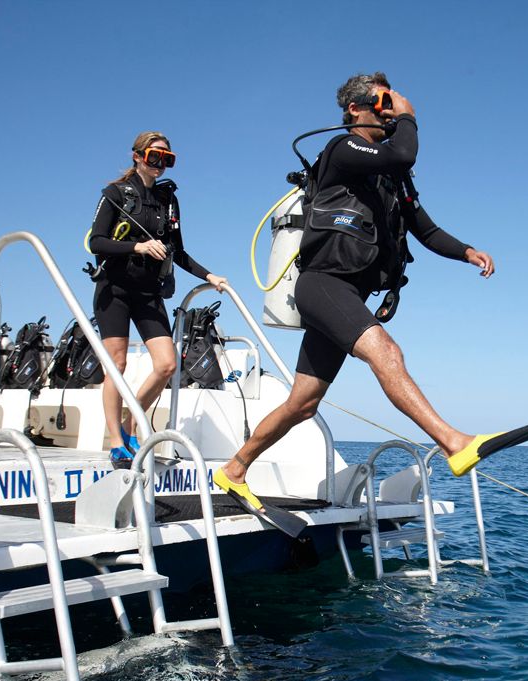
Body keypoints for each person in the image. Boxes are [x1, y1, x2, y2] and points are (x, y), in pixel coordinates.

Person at [213, 72, 503, 509]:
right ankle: (452, 442)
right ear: (354, 108)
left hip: (346, 293)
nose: (389, 109)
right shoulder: (343, 149)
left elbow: (424, 229)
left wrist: (467, 252)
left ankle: (233, 469)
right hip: (323, 285)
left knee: (303, 403)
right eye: (382, 100)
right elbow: (402, 154)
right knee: (386, 353)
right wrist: (409, 117)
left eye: (392, 102)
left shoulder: (389, 178)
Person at [89, 131, 227, 465]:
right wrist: (136, 246)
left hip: (149, 293)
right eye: (155, 156)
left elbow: (177, 251)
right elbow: (96, 242)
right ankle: (115, 442)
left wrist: (209, 276)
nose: (160, 164)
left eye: (167, 158)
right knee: (116, 366)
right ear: (137, 156)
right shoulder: (115, 194)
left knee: (166, 364)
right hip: (115, 290)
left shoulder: (168, 201)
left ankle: (130, 423)